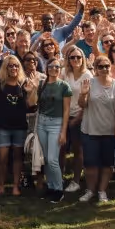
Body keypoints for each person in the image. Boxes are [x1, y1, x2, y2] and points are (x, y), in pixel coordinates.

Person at [0, 55, 36, 196]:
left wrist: (31, 91)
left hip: (20, 126)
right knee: (2, 158)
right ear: (6, 67)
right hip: (3, 125)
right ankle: (2, 186)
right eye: (10, 65)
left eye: (16, 65)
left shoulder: (24, 83)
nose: (14, 68)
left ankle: (16, 186)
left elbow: (31, 105)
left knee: (17, 157)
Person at [76, 54, 115, 203]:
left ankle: (102, 191)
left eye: (107, 66)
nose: (104, 69)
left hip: (110, 131)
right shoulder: (89, 82)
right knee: (90, 163)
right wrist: (83, 93)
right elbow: (82, 105)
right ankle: (90, 190)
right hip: (90, 130)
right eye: (101, 66)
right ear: (95, 68)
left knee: (108, 164)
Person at [34, 60, 73, 202]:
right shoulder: (41, 84)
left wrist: (63, 131)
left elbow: (66, 110)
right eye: (51, 66)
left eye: (57, 67)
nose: (54, 69)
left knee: (52, 159)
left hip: (56, 124)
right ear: (47, 68)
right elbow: (33, 103)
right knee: (46, 159)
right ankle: (50, 187)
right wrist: (32, 89)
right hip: (42, 123)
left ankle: (59, 189)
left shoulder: (64, 86)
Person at [59, 47, 90, 194]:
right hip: (64, 115)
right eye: (72, 57)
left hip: (80, 116)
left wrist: (77, 118)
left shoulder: (87, 75)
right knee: (61, 148)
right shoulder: (65, 73)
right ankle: (59, 176)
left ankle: (76, 180)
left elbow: (89, 101)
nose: (75, 60)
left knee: (78, 150)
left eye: (78, 57)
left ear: (83, 58)